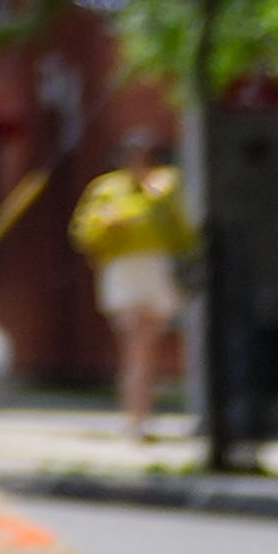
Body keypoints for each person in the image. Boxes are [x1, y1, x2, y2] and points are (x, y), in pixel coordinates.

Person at [76, 118, 200, 440]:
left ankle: (144, 413)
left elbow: (183, 230)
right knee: (135, 343)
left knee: (151, 346)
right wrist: (110, 225)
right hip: (123, 271)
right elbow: (85, 232)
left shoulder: (167, 185)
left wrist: (156, 200)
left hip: (157, 269)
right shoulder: (107, 189)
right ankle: (135, 416)